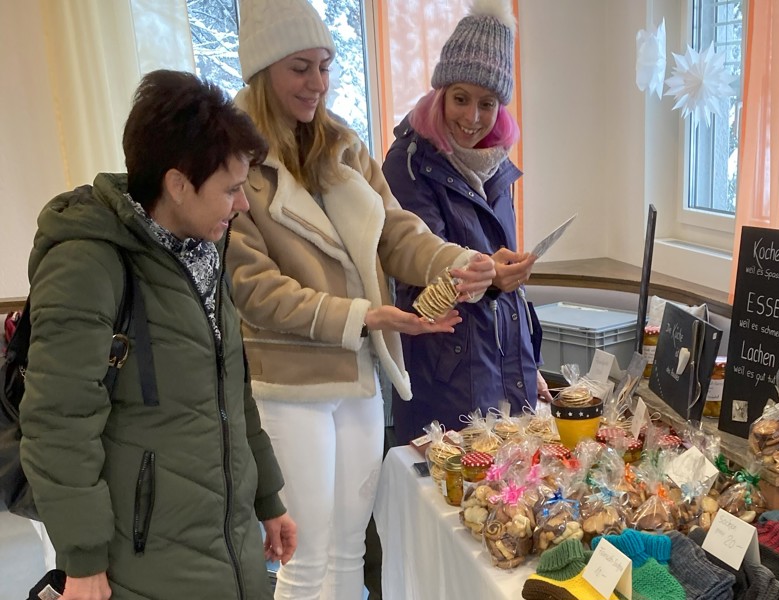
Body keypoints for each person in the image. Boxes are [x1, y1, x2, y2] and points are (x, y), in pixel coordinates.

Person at [226, 0, 496, 598]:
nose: (317, 83)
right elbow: (253, 288)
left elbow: (396, 232)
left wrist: (456, 261)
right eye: (300, 67)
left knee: (351, 551)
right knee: (306, 559)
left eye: (324, 65)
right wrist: (363, 315)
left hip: (360, 376)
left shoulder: (342, 145)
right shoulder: (233, 162)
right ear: (262, 69)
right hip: (291, 385)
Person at [19, 70, 296, 600]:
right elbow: (59, 421)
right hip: (143, 561)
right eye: (231, 190)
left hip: (228, 547)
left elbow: (231, 391)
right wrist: (83, 561)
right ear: (177, 183)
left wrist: (268, 497)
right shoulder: (87, 264)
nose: (242, 205)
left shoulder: (204, 253)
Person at [382, 0, 549, 443]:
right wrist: (489, 275)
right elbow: (419, 285)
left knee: (510, 507)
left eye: (487, 103)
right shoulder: (409, 166)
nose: (472, 118)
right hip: (445, 378)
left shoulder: (496, 167)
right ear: (440, 93)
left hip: (503, 374)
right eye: (460, 99)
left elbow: (509, 289)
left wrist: (526, 368)